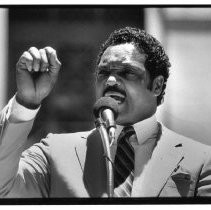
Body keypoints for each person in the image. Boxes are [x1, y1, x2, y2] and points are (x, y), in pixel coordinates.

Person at [0, 26, 211, 198]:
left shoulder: (202, 159)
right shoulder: (54, 151)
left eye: (127, 72)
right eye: (103, 72)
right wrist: (26, 102)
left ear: (156, 86)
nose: (110, 81)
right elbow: (4, 188)